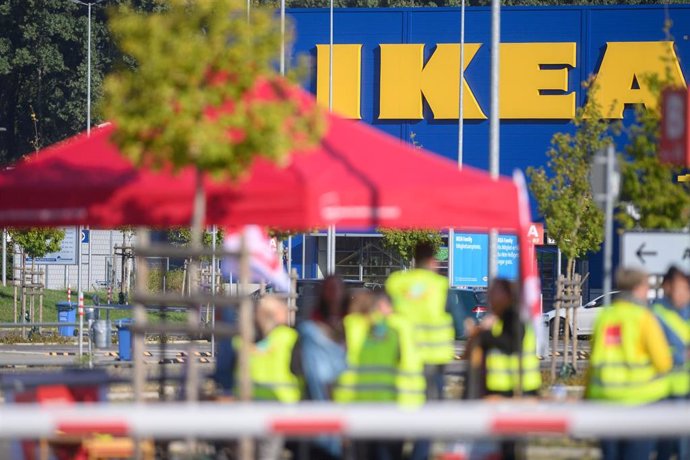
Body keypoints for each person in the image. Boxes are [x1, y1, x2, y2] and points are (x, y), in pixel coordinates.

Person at [586, 267, 672, 460]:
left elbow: (593, 363)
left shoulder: (604, 317)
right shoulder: (644, 318)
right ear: (639, 288)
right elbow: (663, 362)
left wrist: (587, 397)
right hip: (639, 404)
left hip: (606, 402)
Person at [335, 291, 425, 460]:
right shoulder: (401, 326)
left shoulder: (352, 325)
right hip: (395, 404)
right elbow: (411, 365)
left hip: (357, 405)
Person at [386, 242, 453, 460]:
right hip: (432, 360)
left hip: (401, 357)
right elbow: (457, 321)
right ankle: (419, 456)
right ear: (433, 261)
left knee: (398, 410)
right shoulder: (439, 284)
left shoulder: (397, 282)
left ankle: (394, 453)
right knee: (428, 415)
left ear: (414, 258)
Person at [464, 279, 541, 460]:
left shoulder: (513, 316)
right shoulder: (499, 318)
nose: (490, 295)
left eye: (495, 292)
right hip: (503, 387)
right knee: (502, 445)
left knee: (508, 446)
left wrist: (484, 334)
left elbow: (510, 344)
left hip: (517, 389)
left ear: (507, 295)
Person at [233, 295, 302, 460]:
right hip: (280, 407)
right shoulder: (288, 337)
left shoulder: (241, 339)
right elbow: (300, 369)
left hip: (247, 406)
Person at [294, 275, 349, 460]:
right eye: (329, 289)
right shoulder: (311, 328)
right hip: (316, 401)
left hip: (347, 402)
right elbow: (297, 365)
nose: (333, 295)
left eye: (336, 289)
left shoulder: (351, 323)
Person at [652, 266, 690, 460]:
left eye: (687, 288)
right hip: (664, 389)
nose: (684, 294)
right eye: (680, 288)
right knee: (665, 445)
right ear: (666, 287)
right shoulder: (655, 312)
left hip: (686, 389)